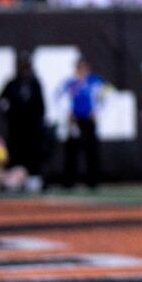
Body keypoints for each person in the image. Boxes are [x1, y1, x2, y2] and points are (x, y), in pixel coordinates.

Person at [0, 50, 50, 187]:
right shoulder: (12, 83)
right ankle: (15, 179)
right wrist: (7, 114)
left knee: (32, 153)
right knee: (15, 152)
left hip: (32, 128)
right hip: (16, 127)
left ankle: (33, 177)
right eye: (23, 65)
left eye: (27, 65)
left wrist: (38, 121)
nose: (25, 68)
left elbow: (41, 105)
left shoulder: (35, 84)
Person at [59, 57, 106, 190]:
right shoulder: (70, 84)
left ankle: (93, 181)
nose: (81, 71)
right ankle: (69, 181)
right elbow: (59, 98)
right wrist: (67, 112)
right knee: (72, 151)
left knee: (92, 151)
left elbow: (107, 97)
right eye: (79, 68)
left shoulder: (95, 82)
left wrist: (97, 112)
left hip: (89, 120)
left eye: (83, 68)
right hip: (75, 121)